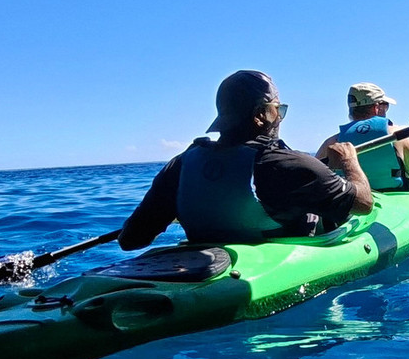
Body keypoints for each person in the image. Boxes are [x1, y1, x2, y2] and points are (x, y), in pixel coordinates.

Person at [118, 70, 373, 250]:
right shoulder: (289, 165)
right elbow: (363, 203)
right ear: (260, 115)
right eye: (279, 109)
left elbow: (131, 240)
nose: (281, 117)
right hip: (269, 270)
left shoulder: (181, 165)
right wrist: (350, 161)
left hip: (197, 268)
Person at [316, 82, 409, 192]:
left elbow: (311, 180)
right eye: (386, 105)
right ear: (377, 107)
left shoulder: (332, 143)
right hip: (394, 203)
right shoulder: (397, 136)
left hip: (354, 204)